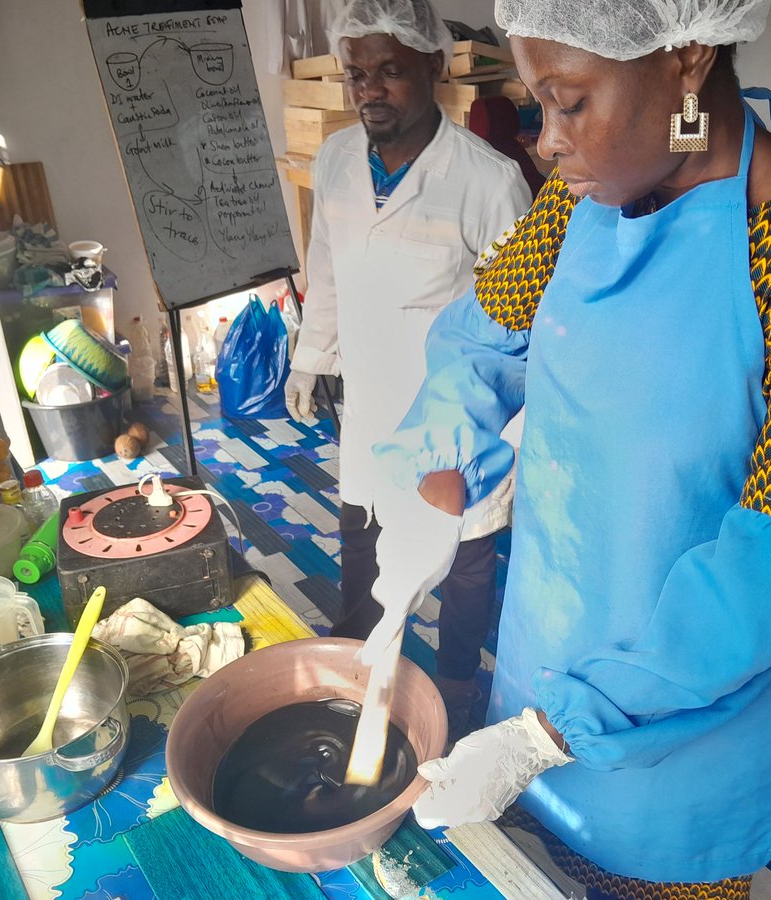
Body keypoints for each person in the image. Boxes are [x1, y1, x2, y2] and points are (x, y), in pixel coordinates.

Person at [363, 0, 771, 895]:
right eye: (534, 106)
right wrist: (437, 475)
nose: (546, 142)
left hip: (686, 712)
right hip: (546, 649)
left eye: (570, 101)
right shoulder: (579, 198)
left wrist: (552, 736)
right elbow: (479, 341)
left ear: (689, 56)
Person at [283, 0, 530, 734]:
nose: (369, 91)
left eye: (390, 71)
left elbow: (515, 323)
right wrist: (314, 356)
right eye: (356, 74)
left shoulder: (489, 183)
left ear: (435, 64)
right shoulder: (335, 159)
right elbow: (325, 267)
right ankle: (356, 663)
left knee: (465, 556)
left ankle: (453, 685)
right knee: (361, 533)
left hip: (455, 413)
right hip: (368, 390)